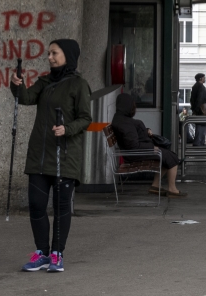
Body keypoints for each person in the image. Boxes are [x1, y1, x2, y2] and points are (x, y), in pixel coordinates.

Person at [10, 39, 92, 273]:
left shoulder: (79, 85)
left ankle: (57, 253)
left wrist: (67, 129)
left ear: (67, 56)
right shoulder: (45, 81)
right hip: (39, 155)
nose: (50, 57)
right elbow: (25, 98)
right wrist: (16, 84)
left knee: (60, 206)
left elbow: (85, 118)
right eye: (48, 53)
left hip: (65, 156)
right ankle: (41, 253)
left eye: (54, 53)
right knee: (36, 205)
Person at [111, 93, 185, 198]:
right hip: (135, 154)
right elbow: (133, 144)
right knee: (171, 158)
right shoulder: (124, 122)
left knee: (167, 155)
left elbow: (131, 136)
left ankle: (155, 185)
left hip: (135, 152)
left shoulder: (121, 119)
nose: (134, 107)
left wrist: (146, 131)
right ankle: (172, 189)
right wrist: (152, 148)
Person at [189, 72, 206, 147]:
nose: (205, 79)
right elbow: (200, 98)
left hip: (198, 109)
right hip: (201, 109)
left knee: (200, 125)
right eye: (204, 77)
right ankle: (199, 142)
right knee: (201, 125)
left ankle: (199, 142)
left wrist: (194, 108)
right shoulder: (201, 87)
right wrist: (198, 109)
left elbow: (192, 99)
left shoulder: (195, 86)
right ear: (200, 79)